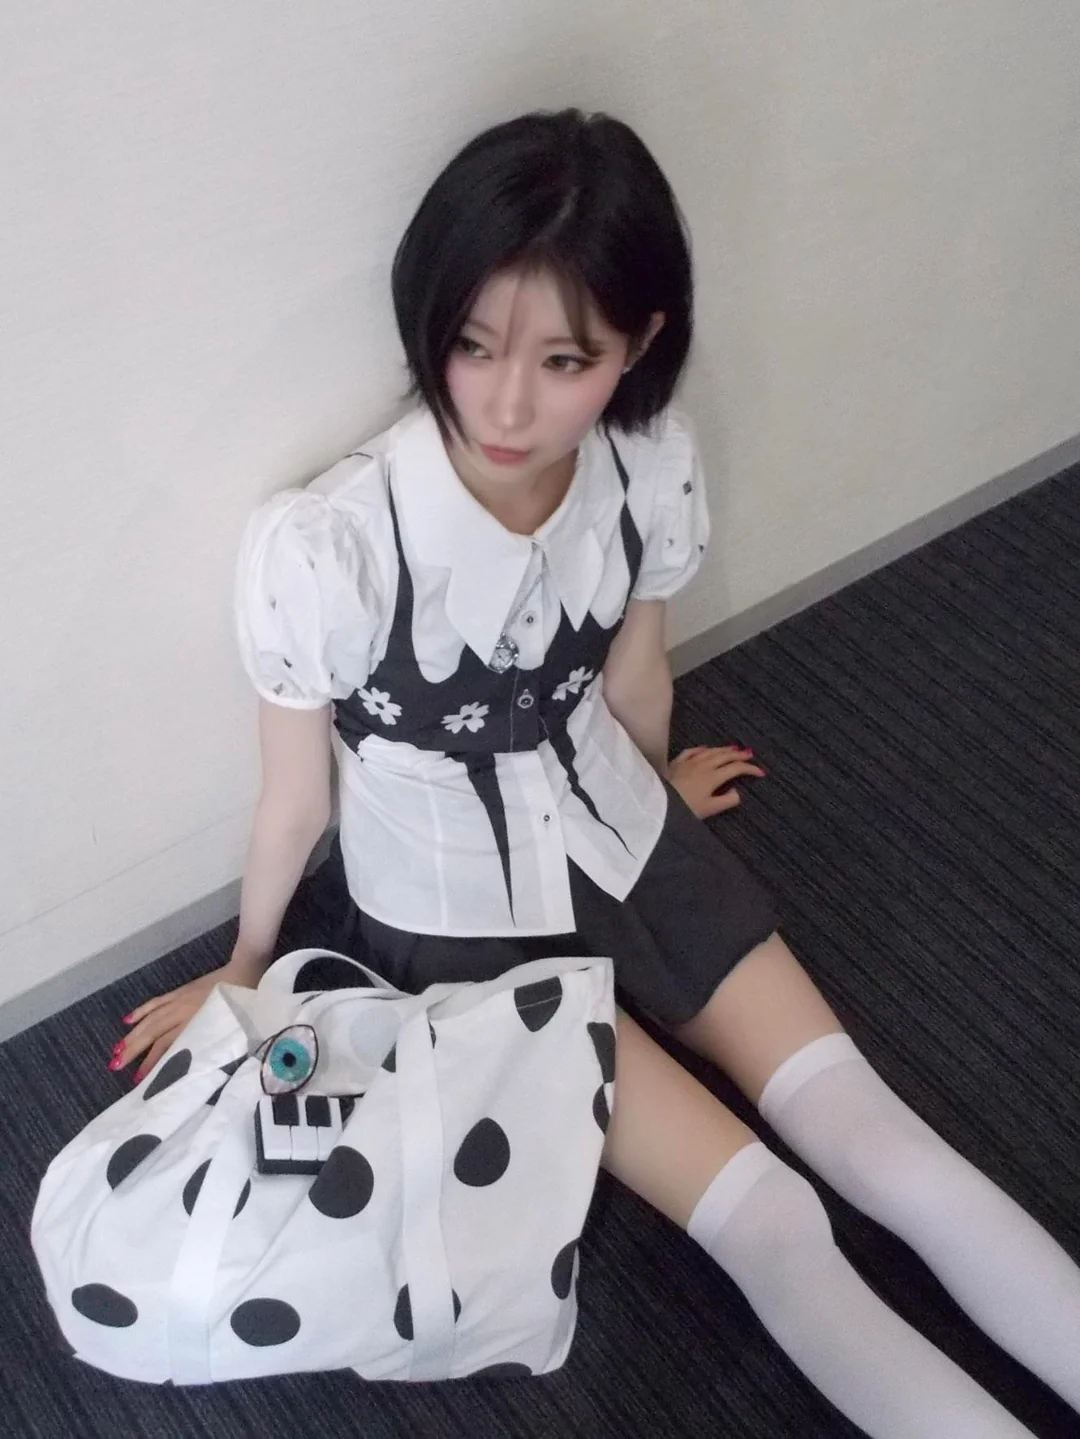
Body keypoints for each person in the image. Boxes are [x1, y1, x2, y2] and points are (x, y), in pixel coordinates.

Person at [113, 110, 1080, 1435]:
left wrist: (656, 789)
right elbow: (297, 799)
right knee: (775, 1222)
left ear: (641, 343)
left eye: (566, 359)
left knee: (880, 1136)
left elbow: (633, 679)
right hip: (454, 927)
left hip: (624, 835)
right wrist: (244, 965)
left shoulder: (644, 468)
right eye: (473, 344)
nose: (508, 404)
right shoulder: (329, 547)